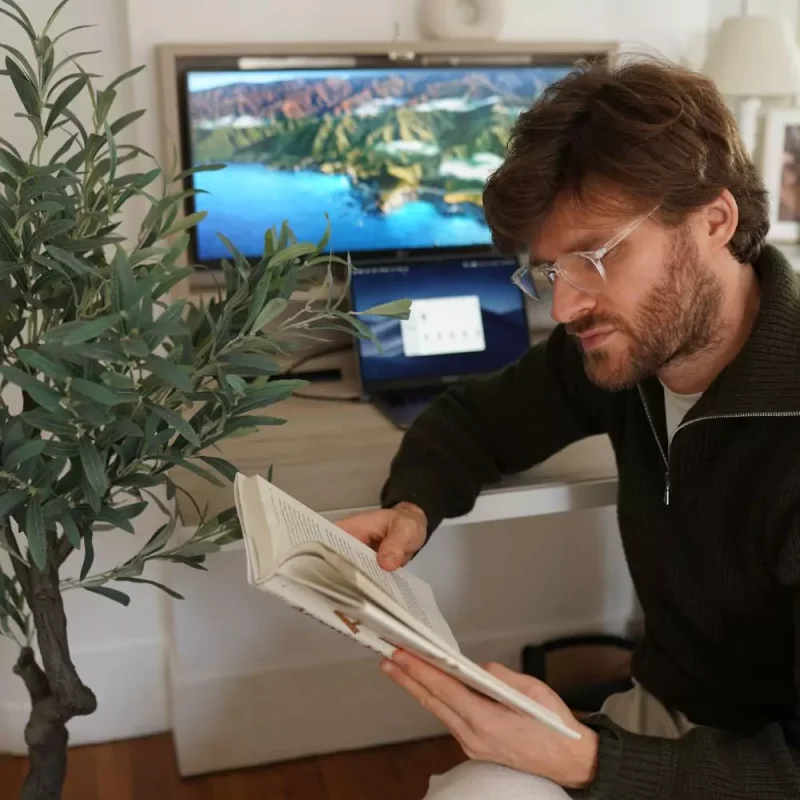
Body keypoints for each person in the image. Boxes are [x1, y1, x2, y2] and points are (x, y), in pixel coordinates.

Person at [335, 55, 800, 799]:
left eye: (594, 258)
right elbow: (474, 417)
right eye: (550, 271)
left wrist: (585, 761)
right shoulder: (632, 348)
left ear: (715, 220)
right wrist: (414, 508)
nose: (567, 305)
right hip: (664, 720)